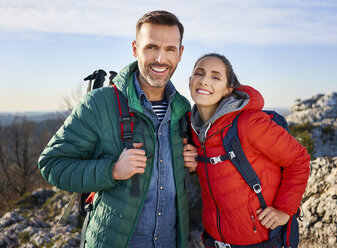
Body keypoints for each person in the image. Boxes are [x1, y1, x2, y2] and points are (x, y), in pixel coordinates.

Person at [38, 10, 198, 248]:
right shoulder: (100, 104)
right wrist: (112, 170)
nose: (161, 59)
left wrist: (194, 168)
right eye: (151, 47)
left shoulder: (183, 111)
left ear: (180, 53)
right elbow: (52, 164)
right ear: (135, 49)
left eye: (170, 49)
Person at [188, 53, 310, 247]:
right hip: (214, 241)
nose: (204, 81)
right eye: (199, 73)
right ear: (190, 80)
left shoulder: (249, 123)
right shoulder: (193, 128)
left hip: (261, 241)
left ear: (228, 90)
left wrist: (285, 210)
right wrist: (194, 165)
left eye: (215, 77)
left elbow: (299, 159)